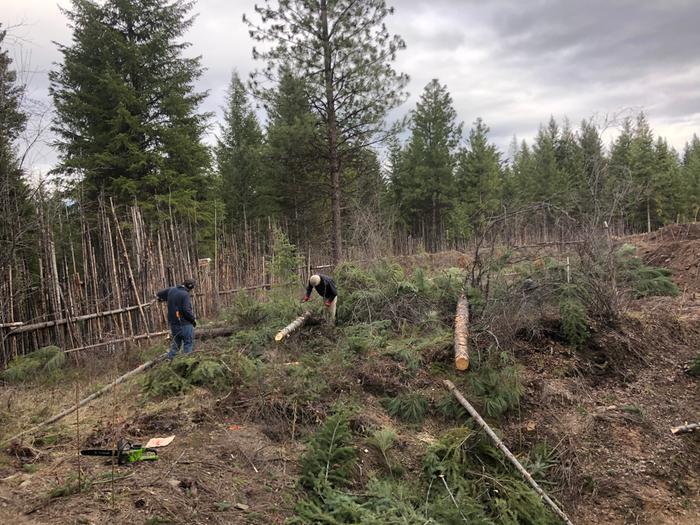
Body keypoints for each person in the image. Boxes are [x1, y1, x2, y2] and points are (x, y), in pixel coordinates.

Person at [156, 278, 197, 360]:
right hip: (185, 324)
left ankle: (169, 360)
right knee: (188, 344)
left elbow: (159, 294)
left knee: (176, 345)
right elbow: (186, 310)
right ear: (191, 288)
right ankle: (186, 363)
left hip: (174, 324)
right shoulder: (185, 294)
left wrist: (162, 299)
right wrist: (193, 320)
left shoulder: (171, 290)